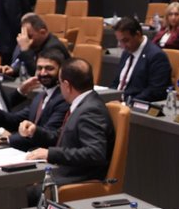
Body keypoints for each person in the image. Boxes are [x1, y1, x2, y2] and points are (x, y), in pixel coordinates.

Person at [22, 58, 114, 187]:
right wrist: (35, 131)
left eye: (59, 83)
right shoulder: (82, 104)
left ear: (66, 85)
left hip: (80, 179)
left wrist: (50, 154)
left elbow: (95, 153)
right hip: (67, 172)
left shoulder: (90, 110)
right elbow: (61, 136)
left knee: (21, 191)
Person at [10, 55, 69, 151]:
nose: (43, 73)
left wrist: (8, 139)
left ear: (61, 71)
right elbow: (15, 120)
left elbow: (50, 136)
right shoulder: (40, 96)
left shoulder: (64, 98)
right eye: (39, 68)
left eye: (49, 68)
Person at [113, 16, 171, 102]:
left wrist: (128, 103)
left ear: (138, 34)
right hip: (117, 103)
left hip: (135, 104)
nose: (122, 46)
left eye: (125, 41)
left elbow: (155, 91)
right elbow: (116, 83)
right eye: (120, 41)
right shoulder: (126, 52)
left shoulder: (156, 56)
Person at [11, 13, 70, 79]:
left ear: (42, 32)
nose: (26, 39)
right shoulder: (37, 44)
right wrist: (13, 70)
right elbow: (25, 64)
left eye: (29, 36)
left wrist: (25, 50)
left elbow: (39, 74)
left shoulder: (53, 47)